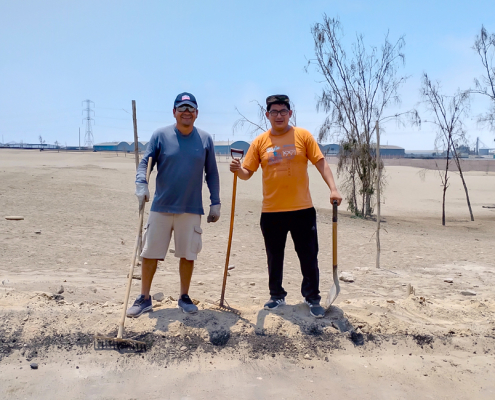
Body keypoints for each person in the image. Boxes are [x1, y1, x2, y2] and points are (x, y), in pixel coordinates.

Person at [230, 94, 342, 318]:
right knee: (274, 256)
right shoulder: (260, 142)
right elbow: (247, 173)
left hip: (302, 210)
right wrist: (237, 169)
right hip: (272, 211)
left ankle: (312, 298)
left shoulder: (303, 136)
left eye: (283, 111)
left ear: (290, 113)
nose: (278, 116)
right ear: (267, 115)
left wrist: (333, 188)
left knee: (309, 256)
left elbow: (321, 163)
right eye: (274, 112)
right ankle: (276, 295)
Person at [127, 92, 221, 317]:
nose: (186, 112)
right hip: (161, 206)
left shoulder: (205, 139)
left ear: (196, 114)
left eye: (190, 109)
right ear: (174, 112)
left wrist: (215, 202)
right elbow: (145, 163)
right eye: (182, 108)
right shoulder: (160, 135)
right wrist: (141, 183)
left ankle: (184, 297)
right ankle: (144, 298)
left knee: (188, 254)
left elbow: (213, 174)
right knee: (149, 253)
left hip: (191, 208)